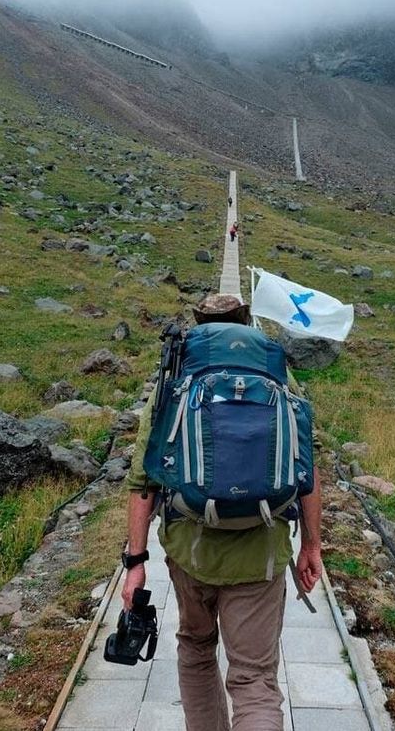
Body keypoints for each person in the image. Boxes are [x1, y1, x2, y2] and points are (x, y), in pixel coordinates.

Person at [122, 294, 323, 731]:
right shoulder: (278, 374)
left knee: (196, 650)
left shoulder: (176, 376)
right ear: (246, 321)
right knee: (254, 678)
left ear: (199, 324)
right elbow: (306, 468)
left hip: (190, 550)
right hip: (260, 553)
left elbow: (143, 480)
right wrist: (311, 546)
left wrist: (135, 563)